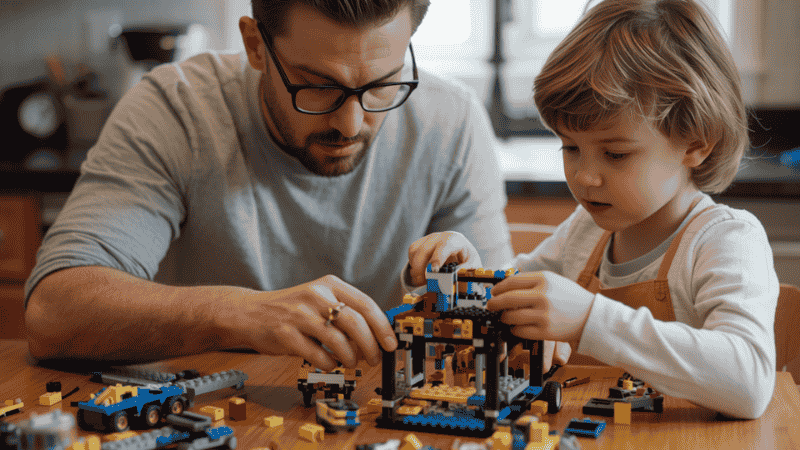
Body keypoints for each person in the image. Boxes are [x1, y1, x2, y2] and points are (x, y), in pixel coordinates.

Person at [23, 0, 514, 369]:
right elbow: (53, 313)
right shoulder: (175, 109)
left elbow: (501, 326)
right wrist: (236, 314)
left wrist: (474, 296)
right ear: (256, 45)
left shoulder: (453, 123)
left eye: (381, 84)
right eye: (319, 85)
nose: (350, 123)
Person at [407, 0, 778, 419]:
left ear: (696, 143)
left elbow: (749, 381)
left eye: (616, 154)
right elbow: (516, 299)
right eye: (570, 147)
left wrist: (589, 320)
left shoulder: (724, 240)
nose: (585, 176)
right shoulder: (586, 231)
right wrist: (469, 276)